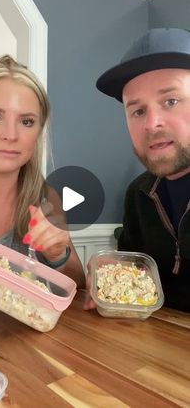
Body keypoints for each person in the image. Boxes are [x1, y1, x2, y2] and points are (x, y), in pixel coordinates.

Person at [0, 55, 85, 311]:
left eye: (26, 122)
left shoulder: (46, 199)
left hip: (17, 347)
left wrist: (60, 255)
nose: (11, 135)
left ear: (38, 132)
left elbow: (76, 286)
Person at [85, 27, 190, 312]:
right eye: (138, 111)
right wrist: (113, 278)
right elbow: (139, 294)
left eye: (171, 101)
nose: (151, 123)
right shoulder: (138, 195)